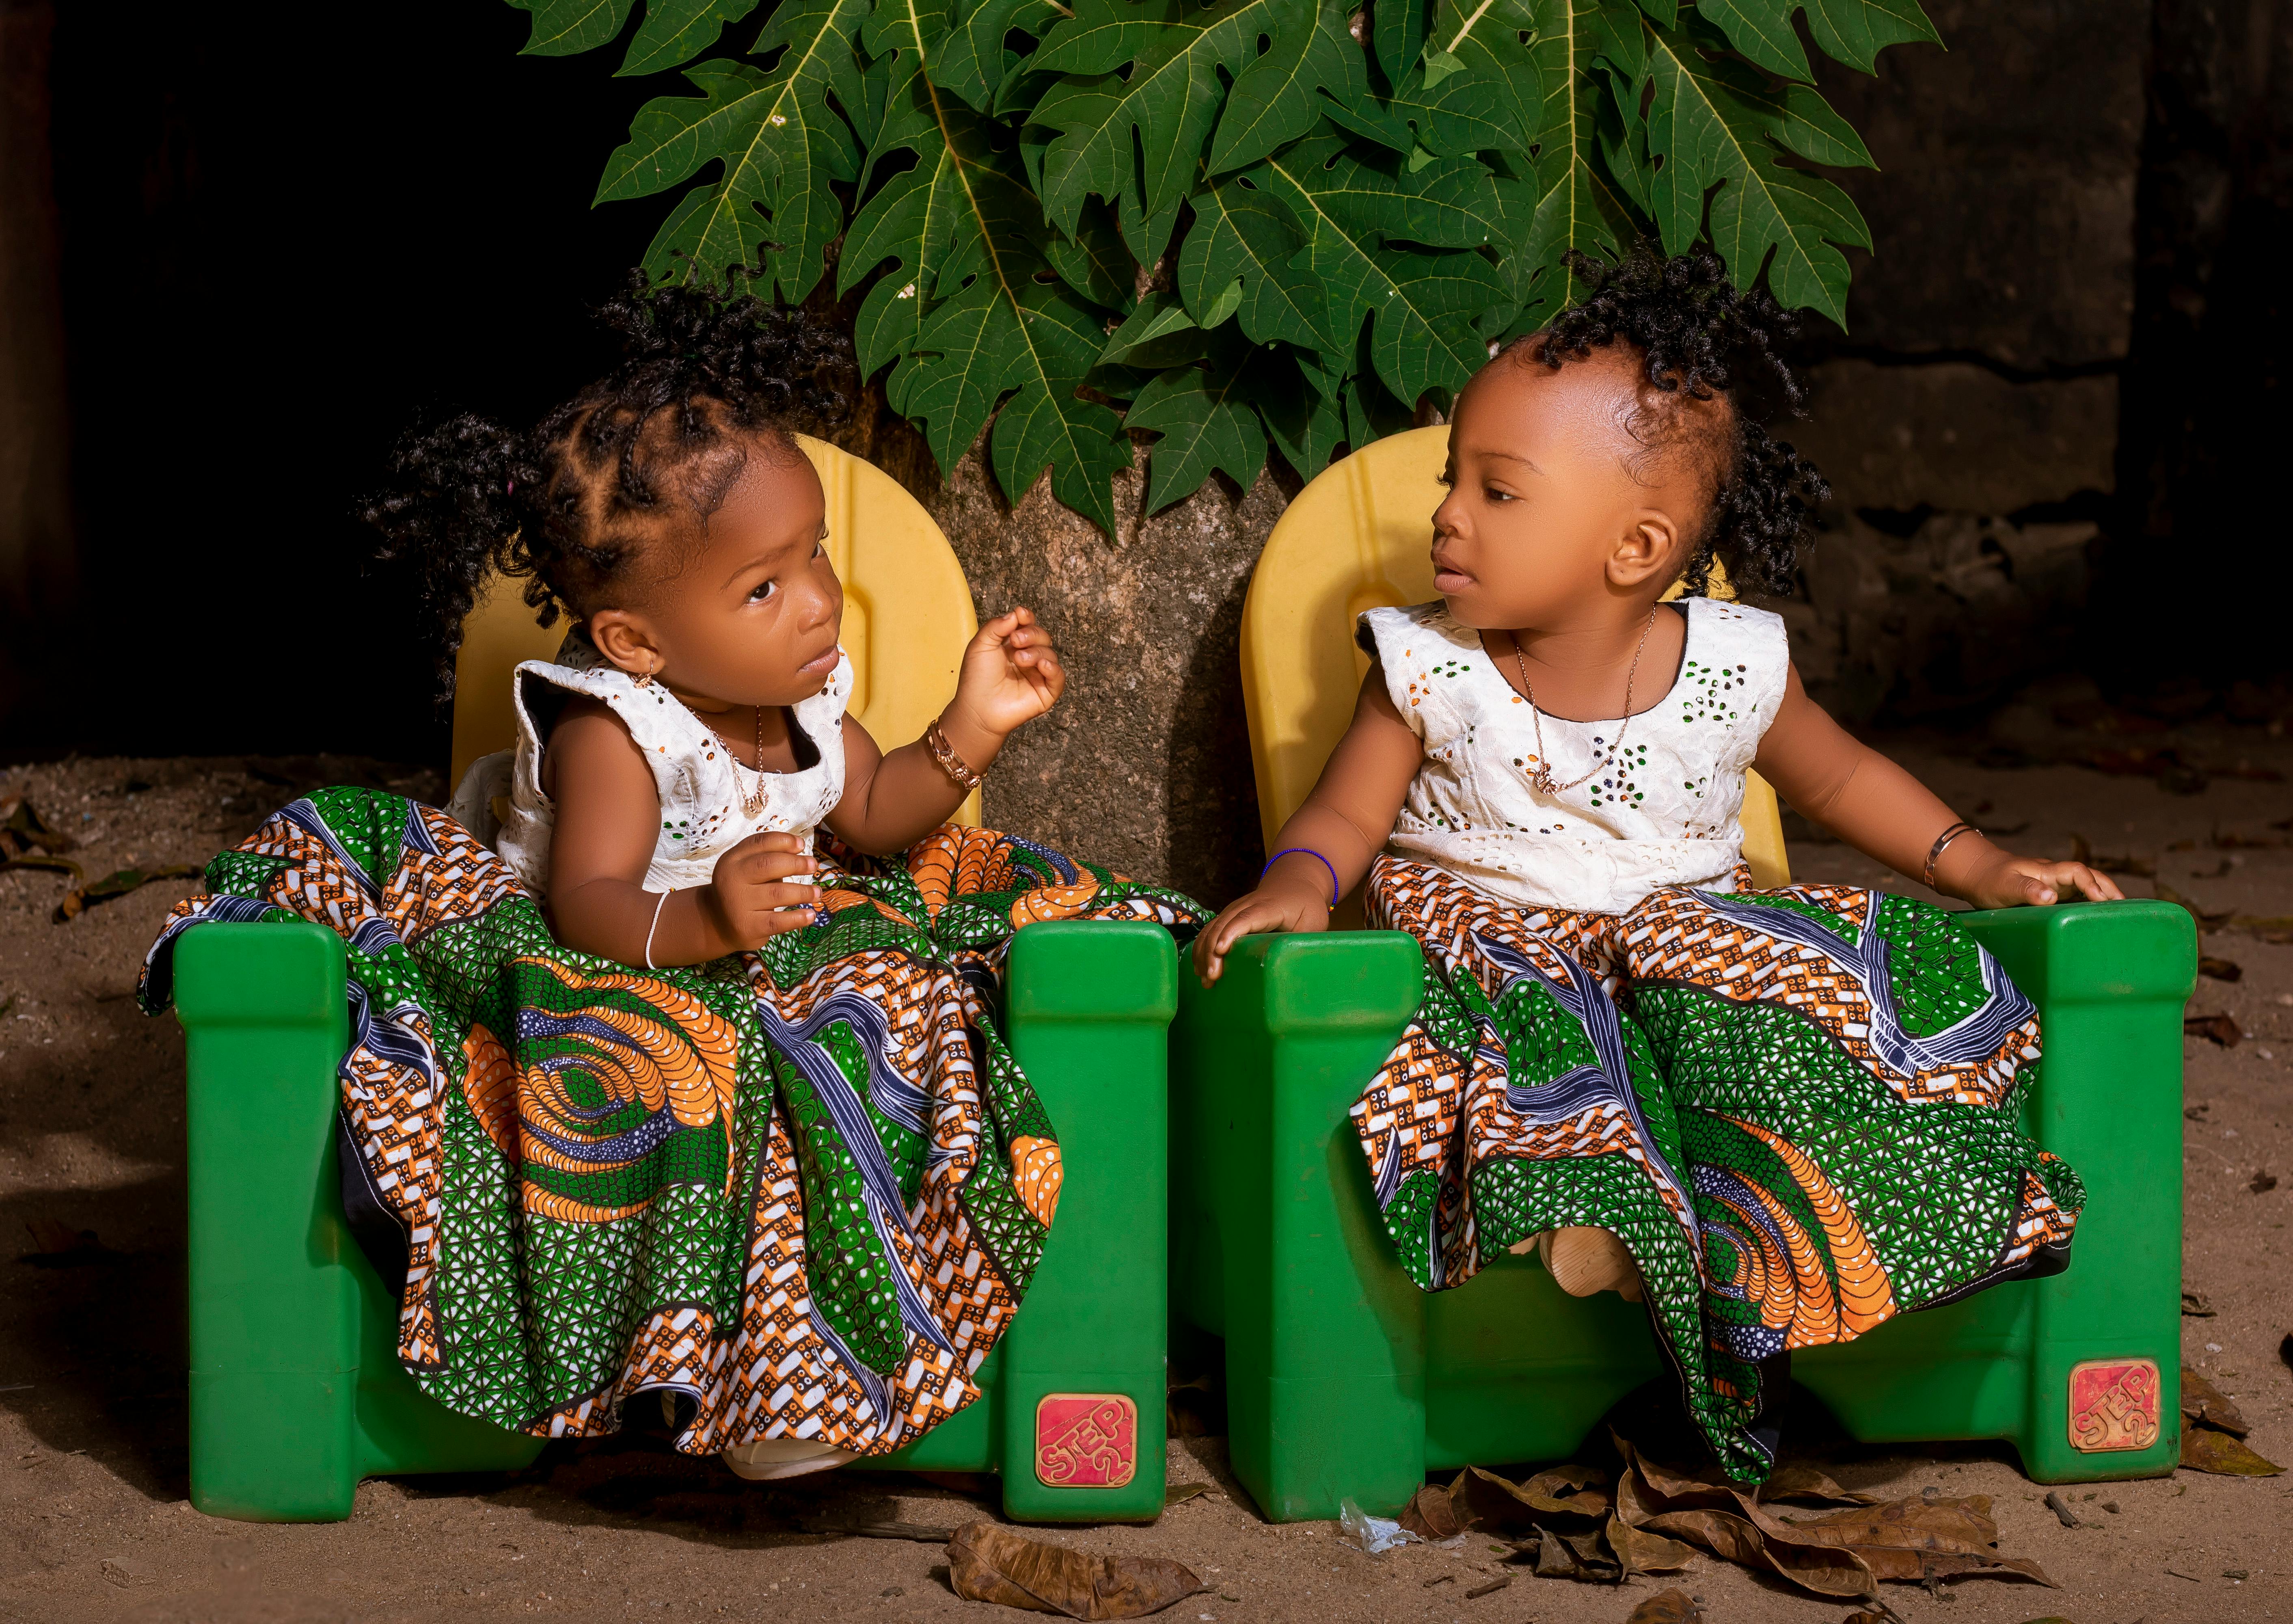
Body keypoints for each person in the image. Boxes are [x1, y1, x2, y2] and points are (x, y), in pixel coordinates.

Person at [140, 270, 1197, 1483]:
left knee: (878, 1023)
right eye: (765, 587)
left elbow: (874, 807)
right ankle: (757, 1389)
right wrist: (705, 915)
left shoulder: (798, 696)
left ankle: (841, 1352)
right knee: (715, 1078)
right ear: (636, 641)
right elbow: (585, 902)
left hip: (755, 936)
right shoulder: (616, 735)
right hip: (623, 941)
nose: (816, 602)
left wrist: (971, 729)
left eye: (815, 557)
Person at [1191, 247, 2120, 1479]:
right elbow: (1347, 816)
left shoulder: (1736, 663)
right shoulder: (1430, 664)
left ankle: (1814, 1212)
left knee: (1826, 967)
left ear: (1635, 546)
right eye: (1449, 479)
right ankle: (1602, 1209)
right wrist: (1300, 882)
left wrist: (1981, 865)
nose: (1449, 515)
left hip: (1686, 944)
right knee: (1535, 1029)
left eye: (1498, 491)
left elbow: (1841, 781)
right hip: (1499, 943)